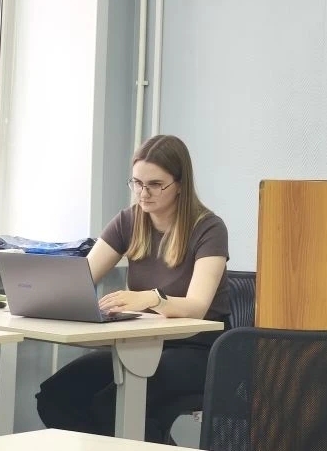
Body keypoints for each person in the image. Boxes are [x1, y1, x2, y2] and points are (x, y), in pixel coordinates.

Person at [35, 134, 230, 444]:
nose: (143, 193)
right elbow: (81, 279)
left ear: (180, 184)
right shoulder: (129, 221)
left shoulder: (208, 228)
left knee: (112, 405)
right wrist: (37, 294)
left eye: (155, 184)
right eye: (137, 183)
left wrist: (151, 298)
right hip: (142, 346)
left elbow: (197, 306)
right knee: (57, 396)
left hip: (199, 351)